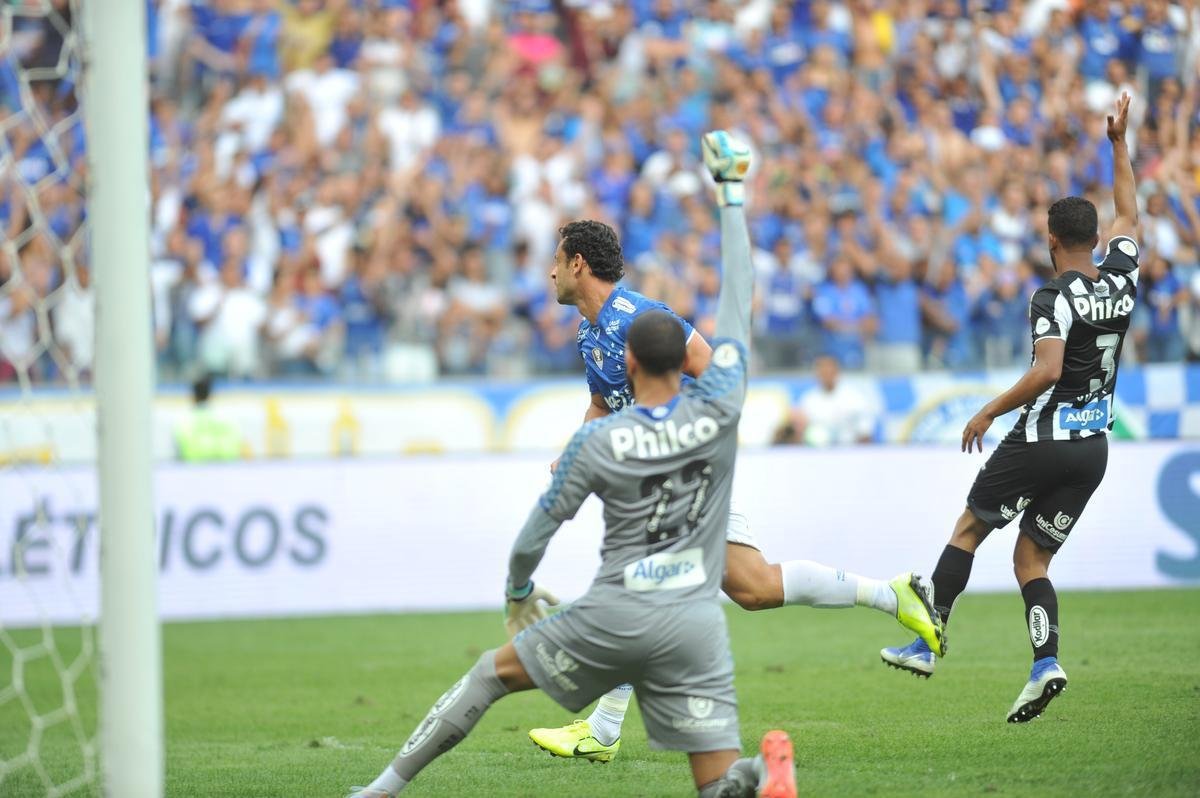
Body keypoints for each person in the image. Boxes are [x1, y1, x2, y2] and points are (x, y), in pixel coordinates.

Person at [347, 131, 796, 798]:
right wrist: (731, 193)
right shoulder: (719, 415)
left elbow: (537, 532)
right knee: (715, 786)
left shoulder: (599, 444)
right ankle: (755, 777)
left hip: (618, 613)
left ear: (629, 365)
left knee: (486, 678)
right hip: (697, 624)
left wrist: (519, 591)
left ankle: (375, 793)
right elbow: (740, 294)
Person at [528, 198, 939, 762]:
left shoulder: (642, 318)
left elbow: (713, 370)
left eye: (556, 260)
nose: (548, 272)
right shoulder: (588, 335)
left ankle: (601, 731)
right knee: (754, 588)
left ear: (578, 264)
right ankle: (892, 594)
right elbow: (602, 402)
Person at [880, 94, 1141, 724]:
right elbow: (1131, 211)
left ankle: (926, 642)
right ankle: (1044, 662)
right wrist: (1118, 144)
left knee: (969, 529)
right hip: (1093, 449)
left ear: (1051, 240)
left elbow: (1047, 369)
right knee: (1032, 558)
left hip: (1041, 438)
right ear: (1097, 237)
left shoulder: (1052, 296)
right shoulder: (1123, 274)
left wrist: (989, 411)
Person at [173, 373, 245, 462]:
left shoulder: (183, 421)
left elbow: (182, 450)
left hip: (193, 470)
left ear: (192, 396)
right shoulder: (227, 419)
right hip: (225, 470)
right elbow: (237, 446)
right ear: (211, 395)